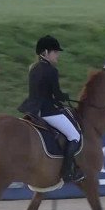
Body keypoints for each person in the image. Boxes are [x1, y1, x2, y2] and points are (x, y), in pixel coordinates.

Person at [18, 35, 84, 182]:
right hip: (47, 112)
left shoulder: (33, 68)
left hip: (32, 110)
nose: (58, 55)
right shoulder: (51, 70)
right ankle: (67, 172)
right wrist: (64, 97)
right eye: (55, 52)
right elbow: (56, 95)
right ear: (46, 52)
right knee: (75, 136)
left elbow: (41, 93)